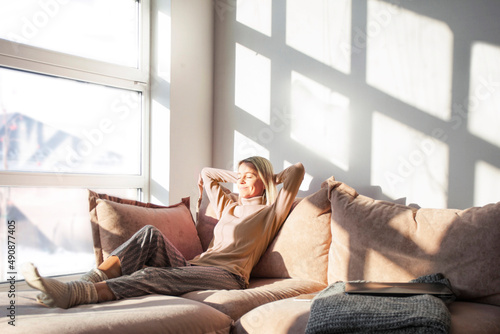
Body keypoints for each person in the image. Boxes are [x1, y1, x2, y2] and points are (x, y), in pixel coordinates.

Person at [22, 156, 305, 309]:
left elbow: (297, 170)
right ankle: (82, 282)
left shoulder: (270, 211)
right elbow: (207, 174)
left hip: (229, 276)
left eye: (249, 176)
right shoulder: (228, 205)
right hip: (196, 266)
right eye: (239, 175)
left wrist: (269, 176)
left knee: (149, 274)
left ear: (264, 180)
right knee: (148, 234)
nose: (242, 180)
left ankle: (75, 294)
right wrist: (240, 173)